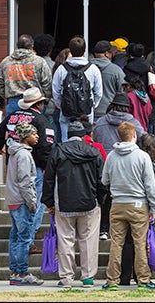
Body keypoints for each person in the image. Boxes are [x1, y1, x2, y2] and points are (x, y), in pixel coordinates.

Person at [0, 87, 55, 255]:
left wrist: (0, 147)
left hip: (12, 166)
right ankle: (29, 241)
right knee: (35, 203)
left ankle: (24, 238)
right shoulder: (41, 120)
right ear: (39, 104)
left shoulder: (12, 116)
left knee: (18, 208)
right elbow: (46, 147)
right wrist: (46, 167)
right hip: (33, 168)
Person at [41, 120, 105, 289]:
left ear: (67, 135)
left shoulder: (58, 151)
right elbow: (102, 181)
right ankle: (88, 277)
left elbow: (49, 179)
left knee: (65, 241)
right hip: (90, 203)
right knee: (89, 241)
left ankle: (66, 278)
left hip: (64, 203)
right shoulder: (94, 152)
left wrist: (48, 202)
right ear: (84, 135)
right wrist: (101, 200)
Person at [101, 121, 155, 291]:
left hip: (117, 204)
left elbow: (104, 180)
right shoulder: (142, 156)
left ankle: (112, 280)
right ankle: (143, 280)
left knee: (116, 243)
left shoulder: (112, 155)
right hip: (138, 204)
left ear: (119, 136)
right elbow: (150, 185)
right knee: (140, 243)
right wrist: (153, 207)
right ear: (134, 135)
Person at [119, 133, 155, 286]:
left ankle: (125, 275)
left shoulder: (134, 160)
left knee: (128, 241)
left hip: (133, 203)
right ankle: (141, 275)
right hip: (151, 208)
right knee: (143, 242)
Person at [93, 92, 146, 241]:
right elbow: (143, 137)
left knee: (105, 197)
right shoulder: (133, 123)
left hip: (105, 164)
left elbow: (95, 140)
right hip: (128, 167)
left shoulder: (101, 122)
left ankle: (103, 229)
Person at [5, 122, 44, 286]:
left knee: (15, 237)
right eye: (34, 134)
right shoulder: (24, 155)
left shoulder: (14, 153)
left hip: (13, 200)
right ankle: (22, 273)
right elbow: (25, 181)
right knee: (24, 239)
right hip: (22, 202)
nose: (37, 136)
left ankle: (14, 272)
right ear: (26, 137)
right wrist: (32, 202)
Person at [52, 36, 103, 141]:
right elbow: (98, 93)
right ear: (84, 51)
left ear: (70, 50)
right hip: (86, 113)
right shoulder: (93, 69)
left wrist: (61, 105)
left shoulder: (61, 69)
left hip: (66, 112)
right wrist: (92, 105)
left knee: (66, 141)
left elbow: (55, 92)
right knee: (86, 140)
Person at [0, 33, 52, 115]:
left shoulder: (6, 62)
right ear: (32, 45)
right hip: (35, 102)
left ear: (17, 45)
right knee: (35, 126)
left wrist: (7, 93)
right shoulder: (39, 61)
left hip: (14, 101)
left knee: (13, 127)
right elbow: (47, 83)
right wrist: (44, 98)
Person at [89, 40, 125, 121]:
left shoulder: (86, 68)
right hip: (108, 113)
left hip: (87, 112)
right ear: (106, 53)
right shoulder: (116, 70)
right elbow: (123, 92)